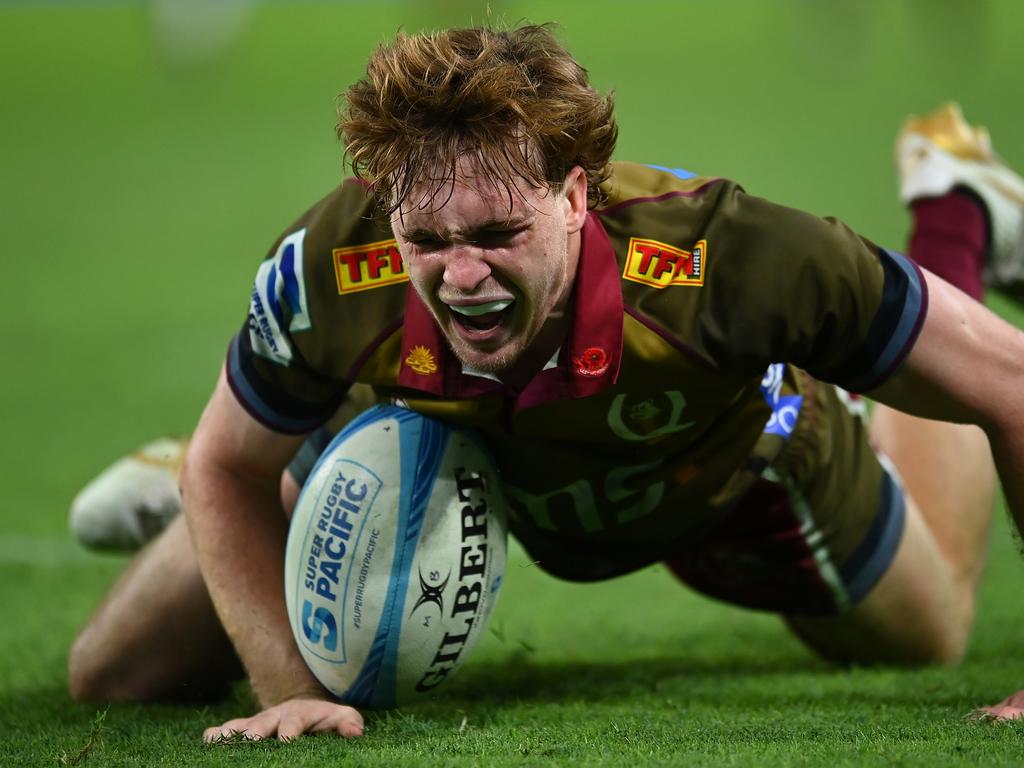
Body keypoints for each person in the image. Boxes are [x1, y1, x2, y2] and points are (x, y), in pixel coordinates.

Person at [66, 24, 1024, 740]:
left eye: (496, 235)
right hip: (445, 447)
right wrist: (295, 694)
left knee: (926, 633)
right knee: (112, 673)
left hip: (732, 469)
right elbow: (227, 472)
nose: (463, 274)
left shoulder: (739, 260)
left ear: (576, 196)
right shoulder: (329, 266)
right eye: (427, 242)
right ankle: (277, 455)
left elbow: (1008, 387)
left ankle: (957, 204)